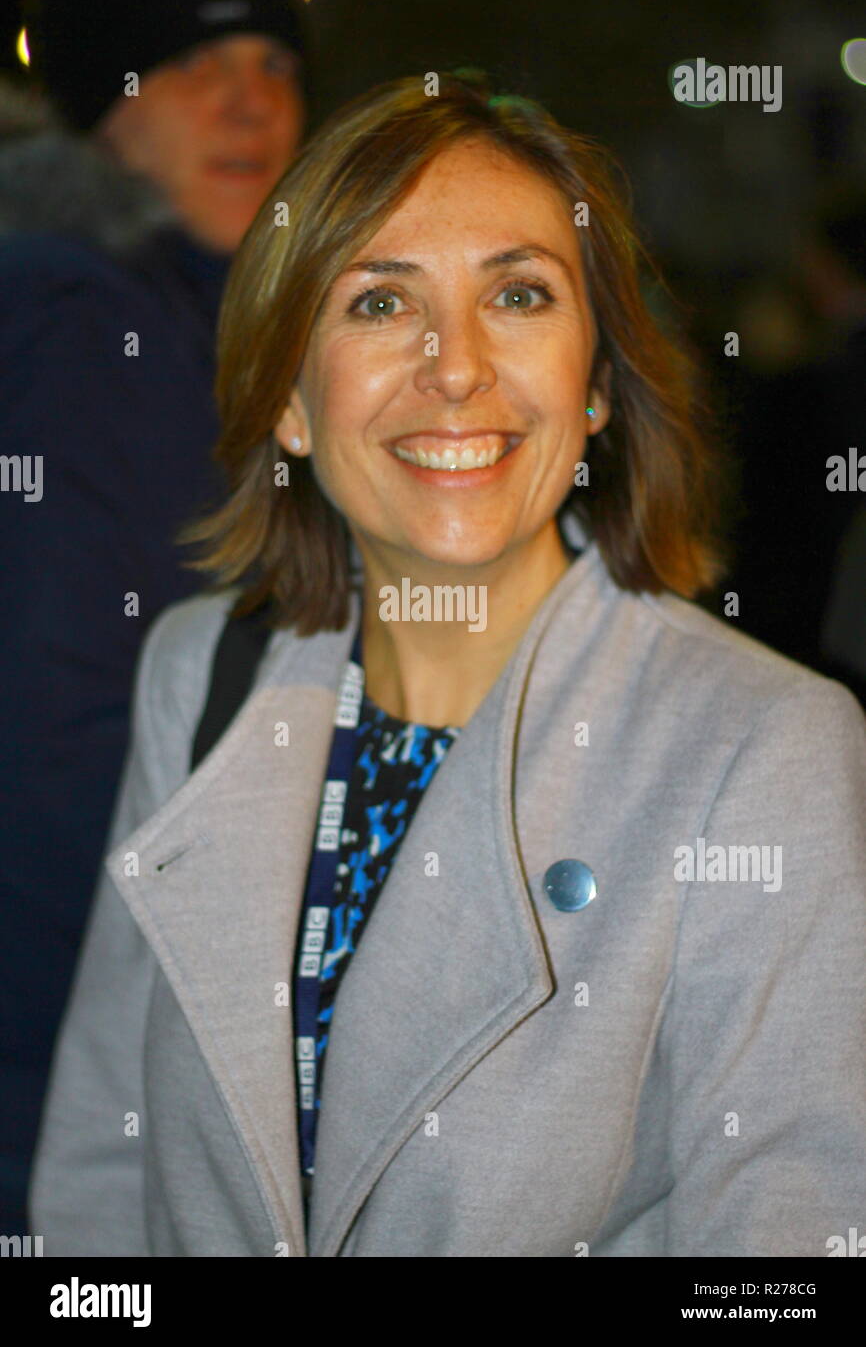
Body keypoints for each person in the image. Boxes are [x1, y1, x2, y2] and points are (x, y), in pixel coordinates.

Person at [29, 72, 866, 1258]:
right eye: (378, 304)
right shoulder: (203, 674)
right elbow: (103, 1178)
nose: (455, 366)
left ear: (591, 388)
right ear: (289, 399)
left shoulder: (760, 746)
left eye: (517, 294)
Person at [0, 0, 307, 1235]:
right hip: (71, 1035)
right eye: (192, 70)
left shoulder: (194, 315)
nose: (248, 106)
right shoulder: (84, 320)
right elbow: (53, 730)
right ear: (100, 110)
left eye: (274, 71)